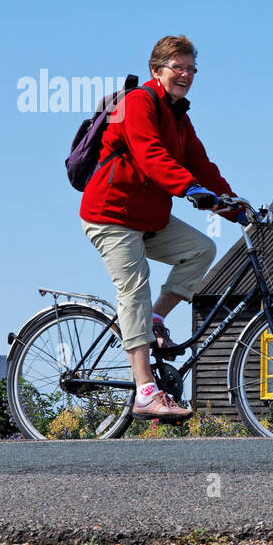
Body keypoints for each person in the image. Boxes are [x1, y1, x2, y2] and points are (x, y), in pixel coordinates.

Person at [79, 35, 244, 420]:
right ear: (157, 70)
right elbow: (150, 155)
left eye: (191, 69)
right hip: (111, 214)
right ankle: (145, 391)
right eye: (178, 67)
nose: (185, 74)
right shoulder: (139, 103)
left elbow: (202, 165)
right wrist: (190, 190)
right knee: (134, 289)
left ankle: (155, 318)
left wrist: (235, 207)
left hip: (148, 217)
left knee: (201, 249)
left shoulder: (179, 116)